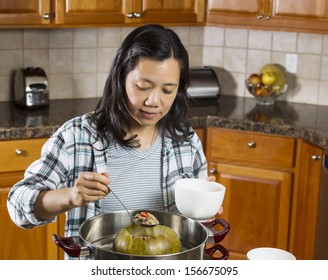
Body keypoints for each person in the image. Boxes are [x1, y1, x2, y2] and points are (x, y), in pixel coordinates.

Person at [7, 24, 219, 258]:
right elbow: (17, 205)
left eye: (168, 90)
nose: (154, 101)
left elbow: (193, 233)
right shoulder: (77, 137)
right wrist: (70, 196)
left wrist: (203, 212)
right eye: (143, 87)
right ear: (120, 78)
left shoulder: (186, 141)